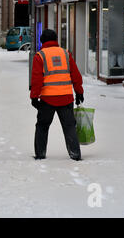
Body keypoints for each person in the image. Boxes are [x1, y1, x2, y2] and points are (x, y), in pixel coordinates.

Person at [30, 29, 84, 161]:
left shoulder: (40, 56)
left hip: (47, 99)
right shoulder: (66, 54)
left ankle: (40, 154)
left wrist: (34, 97)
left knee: (42, 126)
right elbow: (75, 75)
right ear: (55, 40)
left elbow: (37, 79)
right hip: (66, 97)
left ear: (42, 41)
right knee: (69, 126)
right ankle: (75, 153)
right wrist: (79, 92)